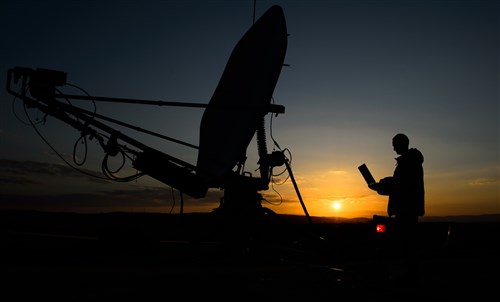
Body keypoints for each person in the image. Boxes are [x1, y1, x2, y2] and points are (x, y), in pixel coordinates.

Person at [368, 133, 425, 285]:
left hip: (406, 210)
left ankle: (409, 279)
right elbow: (399, 182)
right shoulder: (410, 161)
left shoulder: (408, 162)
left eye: (395, 144)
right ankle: (410, 276)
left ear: (401, 144)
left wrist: (379, 186)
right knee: (407, 244)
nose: (393, 147)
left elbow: (400, 186)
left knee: (405, 244)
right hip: (408, 209)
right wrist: (384, 182)